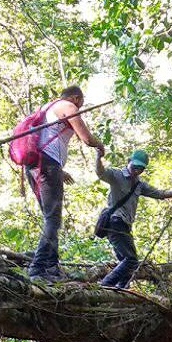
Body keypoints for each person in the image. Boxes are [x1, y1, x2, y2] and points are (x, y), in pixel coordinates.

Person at [24, 85, 106, 281]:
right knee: (52, 220)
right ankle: (37, 269)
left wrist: (59, 170)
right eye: (82, 102)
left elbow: (45, 142)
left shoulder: (47, 108)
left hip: (36, 165)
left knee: (50, 218)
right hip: (47, 166)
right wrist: (100, 144)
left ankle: (51, 267)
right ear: (76, 98)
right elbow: (86, 138)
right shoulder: (69, 107)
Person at [95, 148, 172, 289]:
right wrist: (98, 157)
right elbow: (100, 173)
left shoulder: (139, 186)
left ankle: (121, 290)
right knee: (131, 260)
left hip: (125, 225)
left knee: (126, 261)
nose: (137, 171)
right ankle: (105, 285)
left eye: (141, 169)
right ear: (129, 162)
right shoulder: (116, 175)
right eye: (135, 167)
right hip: (115, 222)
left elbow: (161, 194)